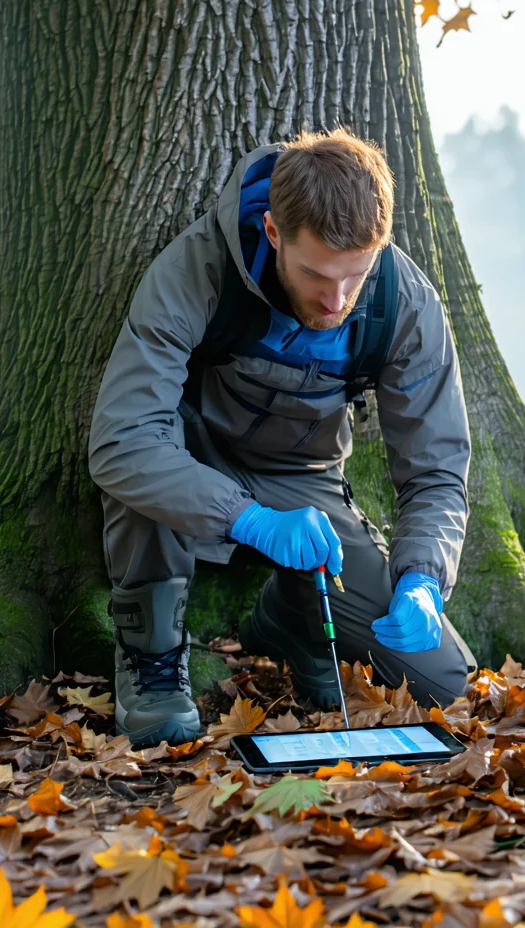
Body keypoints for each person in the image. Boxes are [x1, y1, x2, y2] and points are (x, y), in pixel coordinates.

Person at [87, 127, 476, 746]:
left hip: (304, 479)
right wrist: (249, 520)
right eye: (315, 273)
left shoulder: (406, 303)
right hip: (191, 458)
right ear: (273, 232)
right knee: (146, 472)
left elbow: (436, 471)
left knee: (441, 679)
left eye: (355, 274)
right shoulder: (197, 269)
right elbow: (124, 440)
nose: (335, 299)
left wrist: (425, 577)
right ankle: (151, 663)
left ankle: (293, 619)